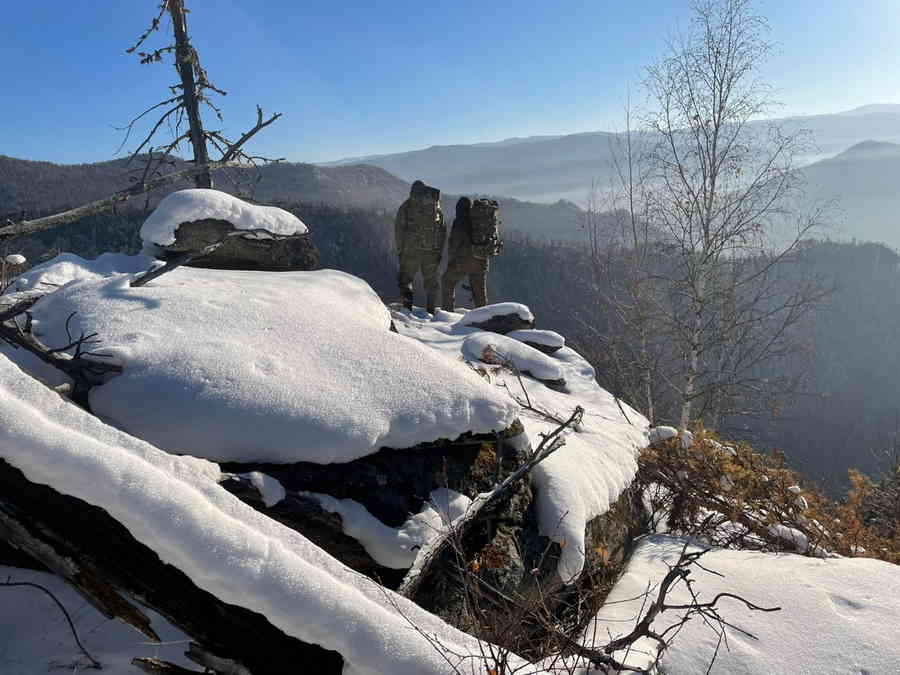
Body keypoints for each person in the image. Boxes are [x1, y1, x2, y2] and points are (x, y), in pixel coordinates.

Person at [441, 197, 503, 310]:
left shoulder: (460, 221)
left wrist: (451, 261)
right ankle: (483, 317)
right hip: (482, 260)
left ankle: (447, 311)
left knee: (447, 281)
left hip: (464, 261)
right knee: (479, 292)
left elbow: (455, 244)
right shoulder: (479, 220)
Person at [395, 180, 446, 314]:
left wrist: (400, 250)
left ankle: (407, 308)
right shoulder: (436, 206)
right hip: (431, 251)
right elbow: (442, 230)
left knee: (406, 278)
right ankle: (431, 310)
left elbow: (399, 230)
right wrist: (439, 250)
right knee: (431, 281)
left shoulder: (407, 206)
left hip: (411, 250)